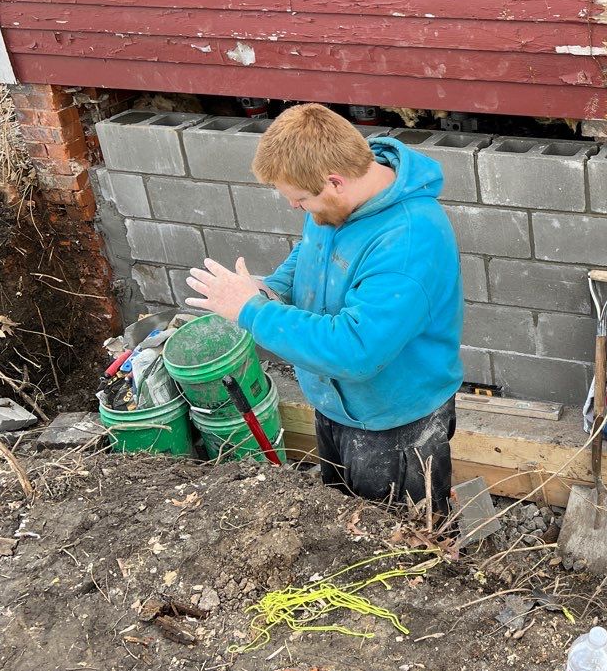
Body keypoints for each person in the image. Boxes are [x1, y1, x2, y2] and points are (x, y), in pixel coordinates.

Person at [185, 103, 463, 518]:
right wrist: (270, 290)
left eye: (301, 201)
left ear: (334, 182)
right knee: (343, 525)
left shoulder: (408, 241)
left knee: (402, 543)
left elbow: (356, 350)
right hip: (336, 405)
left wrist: (253, 312)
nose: (296, 209)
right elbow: (311, 254)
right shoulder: (340, 200)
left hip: (394, 424)